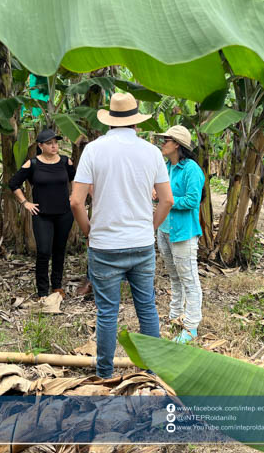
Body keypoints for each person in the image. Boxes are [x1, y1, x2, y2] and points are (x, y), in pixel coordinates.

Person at [70, 92, 174, 379]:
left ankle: (104, 373)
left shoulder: (93, 150)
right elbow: (166, 200)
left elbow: (76, 202)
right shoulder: (151, 152)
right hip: (141, 244)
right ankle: (150, 372)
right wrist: (149, 228)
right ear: (136, 122)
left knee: (107, 313)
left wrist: (89, 231)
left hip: (105, 246)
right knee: (147, 309)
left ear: (110, 121)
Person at [8, 128, 76, 300]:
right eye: (49, 143)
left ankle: (57, 286)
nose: (54, 146)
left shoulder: (65, 161)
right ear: (40, 145)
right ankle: (42, 291)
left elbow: (75, 178)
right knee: (44, 251)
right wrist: (25, 203)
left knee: (59, 250)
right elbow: (14, 183)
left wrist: (73, 195)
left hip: (64, 213)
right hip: (42, 214)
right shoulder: (33, 164)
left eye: (55, 143)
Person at [155, 125, 205, 344]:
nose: (162, 144)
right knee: (174, 276)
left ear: (176, 144)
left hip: (184, 231)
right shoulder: (167, 167)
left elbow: (193, 201)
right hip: (164, 229)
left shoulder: (191, 169)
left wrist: (167, 200)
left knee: (189, 279)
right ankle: (175, 316)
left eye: (165, 140)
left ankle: (192, 326)